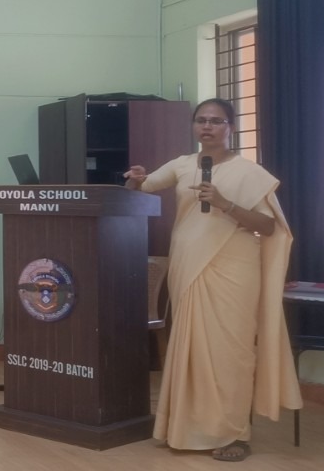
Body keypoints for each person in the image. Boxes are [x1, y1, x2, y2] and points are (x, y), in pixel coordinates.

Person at [123, 98, 302, 462]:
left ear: (230, 127)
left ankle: (234, 433)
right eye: (201, 120)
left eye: (216, 121)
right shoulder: (183, 164)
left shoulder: (249, 173)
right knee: (190, 349)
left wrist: (225, 204)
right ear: (193, 126)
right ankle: (184, 429)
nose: (207, 126)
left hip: (234, 269)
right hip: (188, 263)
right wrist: (135, 178)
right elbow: (141, 188)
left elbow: (269, 227)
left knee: (230, 353)